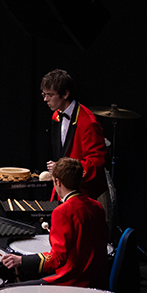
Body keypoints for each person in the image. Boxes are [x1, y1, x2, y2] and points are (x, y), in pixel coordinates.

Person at [1, 158, 109, 288]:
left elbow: (57, 258)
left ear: (57, 181)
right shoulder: (97, 206)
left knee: (7, 290)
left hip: (72, 282)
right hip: (98, 280)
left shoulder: (62, 211)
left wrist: (21, 261)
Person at [41, 69, 107, 200]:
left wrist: (63, 170)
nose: (45, 99)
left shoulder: (88, 123)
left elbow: (95, 164)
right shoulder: (56, 116)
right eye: (43, 94)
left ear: (65, 94)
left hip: (82, 193)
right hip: (62, 190)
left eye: (49, 95)